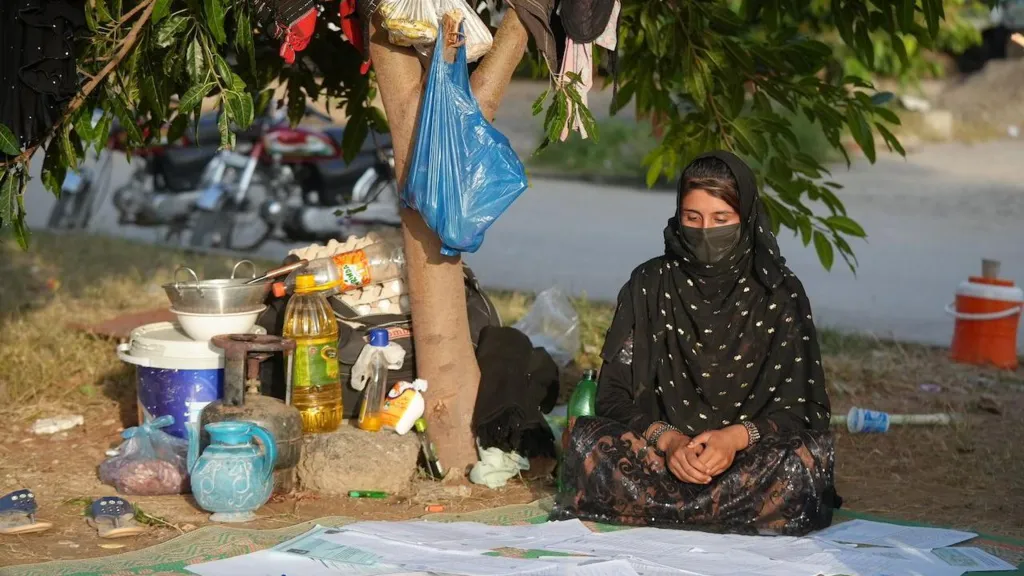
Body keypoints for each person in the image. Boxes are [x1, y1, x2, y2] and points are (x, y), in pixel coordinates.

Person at [553, 151, 840, 536]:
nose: (706, 231)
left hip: (748, 460)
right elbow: (613, 394)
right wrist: (669, 441)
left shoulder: (779, 292)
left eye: (721, 220)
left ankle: (668, 510)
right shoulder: (649, 284)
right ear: (678, 216)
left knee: (801, 459)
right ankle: (716, 510)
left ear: (746, 217)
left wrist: (734, 439)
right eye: (693, 218)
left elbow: (805, 408)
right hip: (661, 459)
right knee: (590, 440)